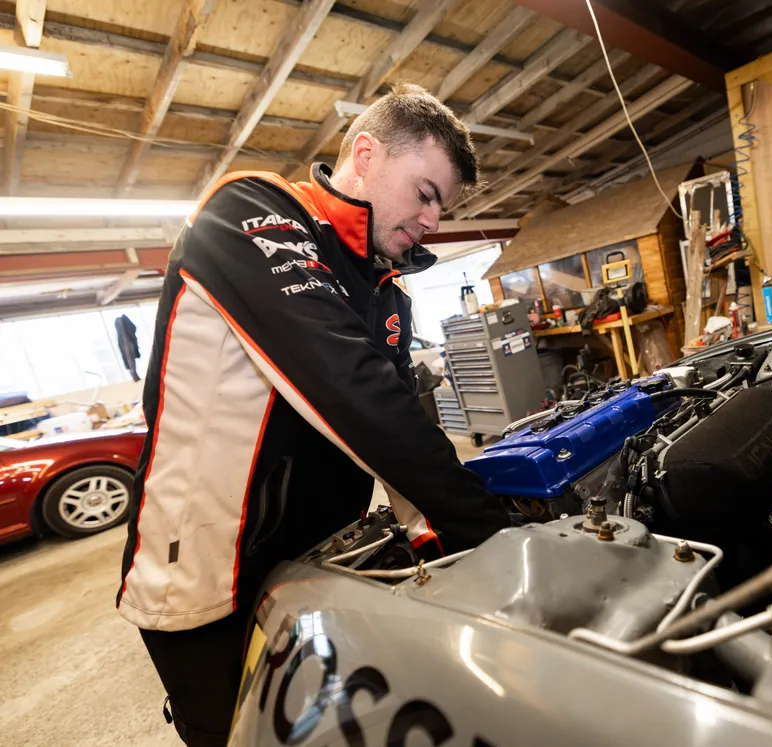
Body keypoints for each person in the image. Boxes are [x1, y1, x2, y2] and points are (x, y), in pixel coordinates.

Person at [116, 83, 510, 746]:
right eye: (425, 193)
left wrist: (437, 541)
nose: (434, 221)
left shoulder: (386, 293)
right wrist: (487, 529)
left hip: (315, 567)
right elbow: (351, 389)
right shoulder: (250, 212)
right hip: (208, 582)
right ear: (366, 153)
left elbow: (400, 428)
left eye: (444, 206)